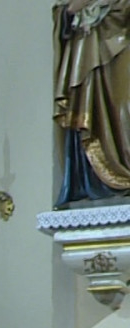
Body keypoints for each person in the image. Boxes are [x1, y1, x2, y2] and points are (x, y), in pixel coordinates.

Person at [54, 0, 130, 205]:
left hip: (122, 32)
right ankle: (100, 176)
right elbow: (67, 9)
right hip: (89, 42)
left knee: (124, 106)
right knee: (100, 107)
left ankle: (121, 170)